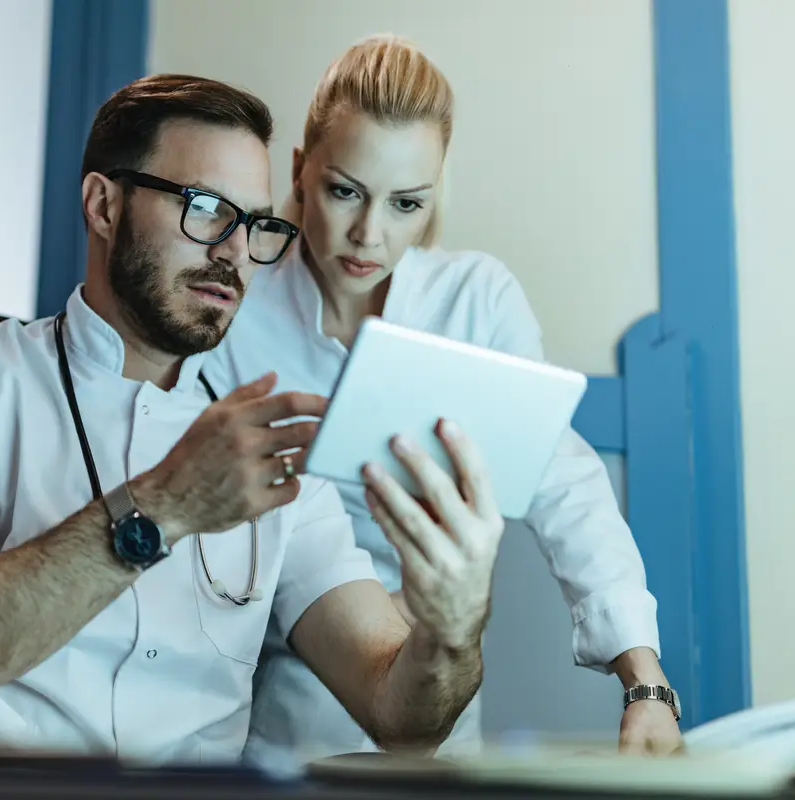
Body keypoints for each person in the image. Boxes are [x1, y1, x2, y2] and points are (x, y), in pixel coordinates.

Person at [0, 73, 508, 765]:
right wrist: (161, 510)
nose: (235, 252)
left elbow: (402, 718)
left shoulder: (271, 447)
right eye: (207, 208)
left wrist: (451, 631)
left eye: (255, 224)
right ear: (103, 205)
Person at [200, 35, 684, 765]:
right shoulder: (235, 305)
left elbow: (568, 485)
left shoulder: (477, 301)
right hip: (273, 693)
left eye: (406, 204)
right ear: (298, 172)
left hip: (436, 685)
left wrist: (643, 680)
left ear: (435, 194)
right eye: (344, 191)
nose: (370, 234)